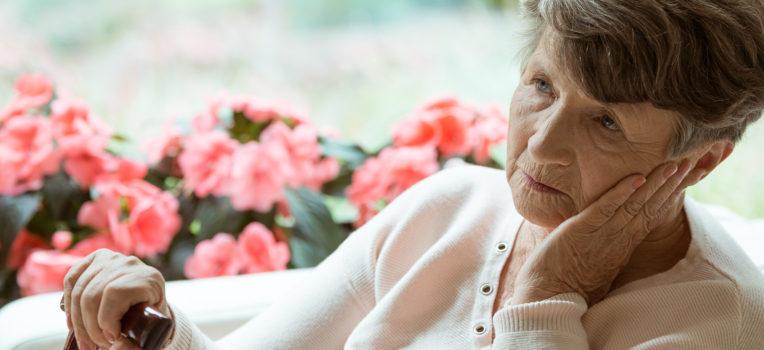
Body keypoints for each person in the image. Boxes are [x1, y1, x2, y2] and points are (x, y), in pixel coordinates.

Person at [62, 0, 764, 348]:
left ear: (700, 160)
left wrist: (548, 297)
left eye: (606, 122)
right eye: (543, 86)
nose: (540, 148)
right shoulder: (451, 206)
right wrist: (145, 322)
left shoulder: (717, 324)